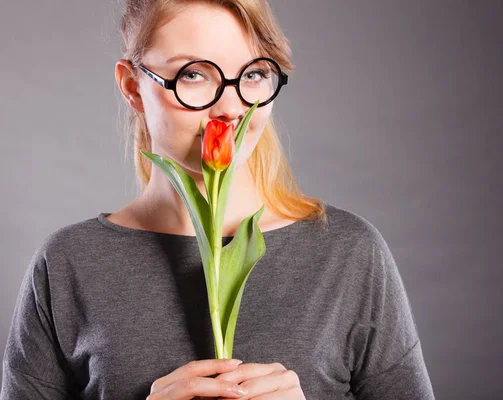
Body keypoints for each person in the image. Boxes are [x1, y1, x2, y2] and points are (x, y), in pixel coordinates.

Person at [1, 0, 435, 399]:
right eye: (192, 73)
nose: (229, 108)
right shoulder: (68, 263)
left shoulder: (348, 252)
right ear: (133, 87)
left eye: (253, 74)